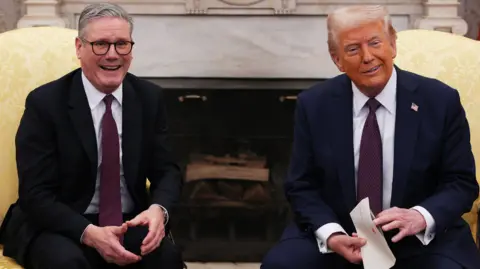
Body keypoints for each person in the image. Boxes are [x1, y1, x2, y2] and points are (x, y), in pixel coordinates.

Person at [261, 5, 480, 269]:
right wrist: (332, 234)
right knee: (282, 265)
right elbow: (301, 185)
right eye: (353, 49)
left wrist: (419, 217)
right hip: (342, 235)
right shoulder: (314, 105)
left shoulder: (440, 101)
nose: (368, 57)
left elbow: (461, 183)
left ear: (393, 44)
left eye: (375, 43)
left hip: (420, 240)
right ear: (337, 59)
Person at [0, 3, 184, 269]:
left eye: (122, 44)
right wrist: (89, 233)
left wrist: (159, 210)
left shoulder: (148, 98)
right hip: (60, 224)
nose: (112, 55)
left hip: (127, 222)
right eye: (101, 44)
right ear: (79, 48)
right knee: (67, 264)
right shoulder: (46, 102)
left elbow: (167, 170)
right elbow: (35, 193)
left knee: (167, 260)